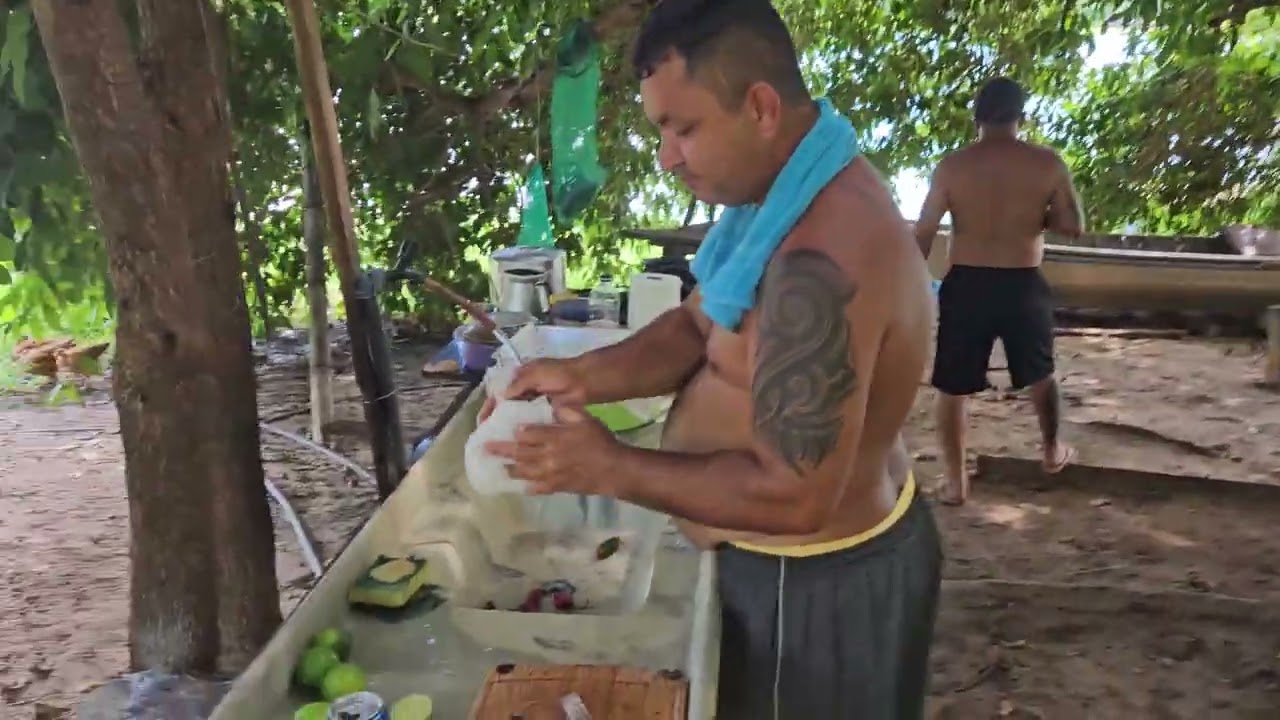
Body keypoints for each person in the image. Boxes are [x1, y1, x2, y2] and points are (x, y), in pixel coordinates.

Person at [479, 2, 941, 716]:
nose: (667, 157)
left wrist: (610, 467)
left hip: (816, 584)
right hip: (767, 561)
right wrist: (580, 377)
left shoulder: (824, 254)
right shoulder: (768, 198)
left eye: (683, 128)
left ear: (759, 106)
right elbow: (697, 328)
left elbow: (794, 493)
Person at [914, 76, 1084, 506]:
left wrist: (910, 278)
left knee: (953, 387)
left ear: (977, 117)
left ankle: (956, 483)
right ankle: (1050, 451)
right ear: (1021, 116)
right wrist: (1035, 216)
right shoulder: (1047, 164)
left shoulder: (953, 166)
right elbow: (1073, 226)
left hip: (966, 282)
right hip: (1022, 280)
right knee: (1041, 372)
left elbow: (925, 229)